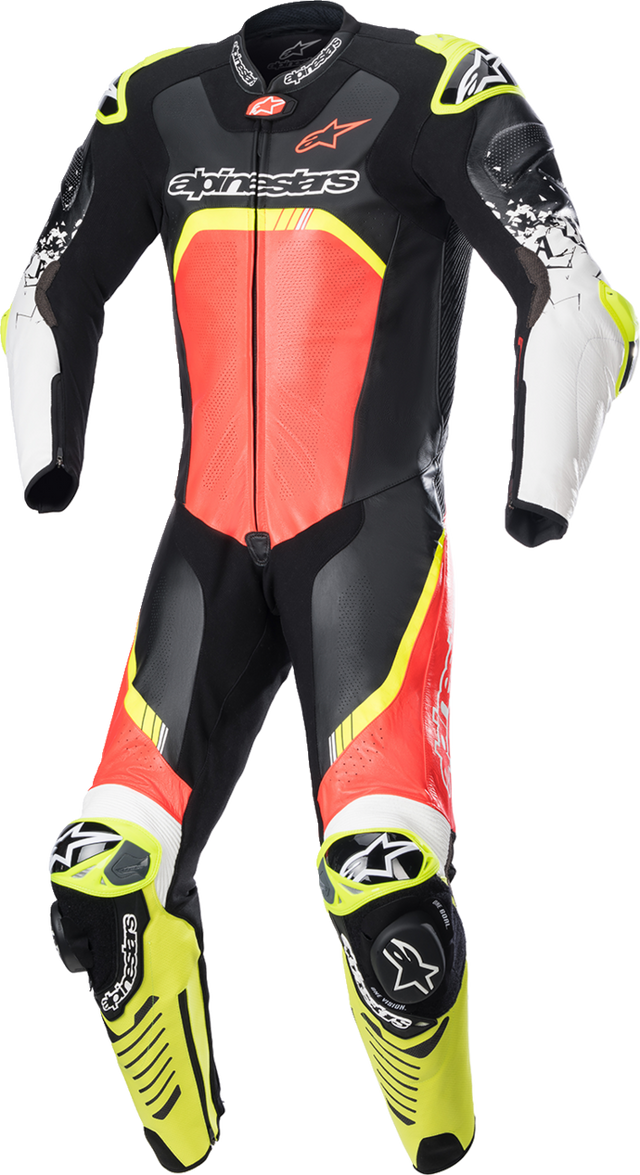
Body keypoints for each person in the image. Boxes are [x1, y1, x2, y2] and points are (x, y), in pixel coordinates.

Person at [3, 4, 636, 1172]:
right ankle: (182, 1138)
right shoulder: (155, 97)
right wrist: (48, 453)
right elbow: (49, 281)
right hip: (200, 545)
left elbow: (573, 289)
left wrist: (541, 484)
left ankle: (438, 1139)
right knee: (100, 878)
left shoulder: (434, 83)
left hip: (368, 539)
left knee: (383, 883)